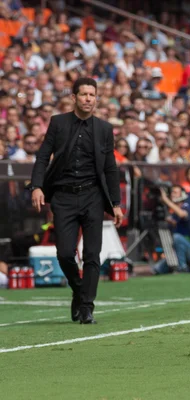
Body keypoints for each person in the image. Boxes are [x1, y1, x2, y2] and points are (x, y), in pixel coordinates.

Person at [30, 77, 123, 324]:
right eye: (83, 94)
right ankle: (79, 290)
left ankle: (87, 307)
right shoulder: (58, 123)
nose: (88, 99)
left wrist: (116, 203)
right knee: (63, 254)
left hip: (93, 195)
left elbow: (111, 168)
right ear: (74, 97)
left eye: (92, 95)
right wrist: (37, 187)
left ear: (96, 98)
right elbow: (42, 157)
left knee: (93, 254)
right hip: (63, 196)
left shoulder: (104, 128)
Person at [152, 186, 190, 274]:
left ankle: (182, 267)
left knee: (177, 237)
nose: (173, 194)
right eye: (172, 192)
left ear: (183, 195)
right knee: (157, 269)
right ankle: (178, 265)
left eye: (176, 192)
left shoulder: (188, 207)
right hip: (176, 252)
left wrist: (166, 200)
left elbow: (181, 214)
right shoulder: (172, 213)